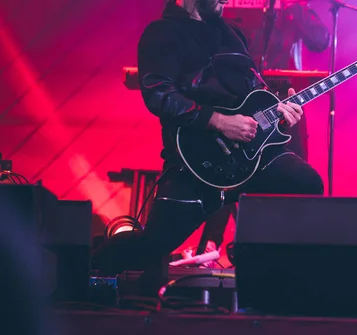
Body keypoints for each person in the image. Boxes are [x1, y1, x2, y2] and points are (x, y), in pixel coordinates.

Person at [92, 0, 324, 293]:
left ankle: (273, 283)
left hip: (252, 154)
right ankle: (80, 270)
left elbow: (253, 92)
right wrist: (217, 121)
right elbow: (159, 94)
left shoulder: (233, 34)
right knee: (154, 242)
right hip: (197, 159)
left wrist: (279, 114)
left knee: (305, 183)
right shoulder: (163, 32)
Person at [195, 0, 330, 264]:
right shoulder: (236, 6)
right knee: (228, 168)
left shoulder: (293, 8)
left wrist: (297, 7)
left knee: (296, 176)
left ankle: (287, 251)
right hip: (241, 99)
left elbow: (320, 40)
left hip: (283, 99)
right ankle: (210, 247)